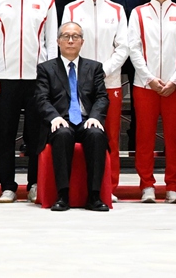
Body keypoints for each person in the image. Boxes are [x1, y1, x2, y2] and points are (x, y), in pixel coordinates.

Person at [0, 0, 58, 203]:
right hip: (6, 78)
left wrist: (51, 78)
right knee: (5, 135)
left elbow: (52, 43)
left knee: (36, 135)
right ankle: (7, 186)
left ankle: (35, 183)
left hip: (37, 79)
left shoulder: (46, 1)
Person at [128, 0, 176, 204]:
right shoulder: (138, 13)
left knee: (174, 138)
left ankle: (173, 185)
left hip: (175, 87)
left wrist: (175, 80)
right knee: (144, 137)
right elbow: (133, 48)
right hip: (145, 86)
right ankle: (146, 184)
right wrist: (149, 78)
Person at [62, 0, 127, 190]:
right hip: (78, 83)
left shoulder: (117, 10)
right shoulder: (71, 9)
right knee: (82, 135)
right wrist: (87, 75)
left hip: (110, 82)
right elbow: (67, 45)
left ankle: (111, 186)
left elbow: (123, 47)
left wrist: (102, 72)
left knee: (111, 136)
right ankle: (80, 185)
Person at [35, 21, 110, 211]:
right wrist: (54, 117)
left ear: (82, 42)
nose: (70, 41)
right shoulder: (46, 68)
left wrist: (95, 117)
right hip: (61, 120)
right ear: (58, 41)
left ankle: (94, 196)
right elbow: (41, 98)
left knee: (96, 135)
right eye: (66, 36)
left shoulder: (94, 67)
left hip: (86, 119)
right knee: (62, 134)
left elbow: (102, 97)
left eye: (75, 37)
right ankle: (63, 196)